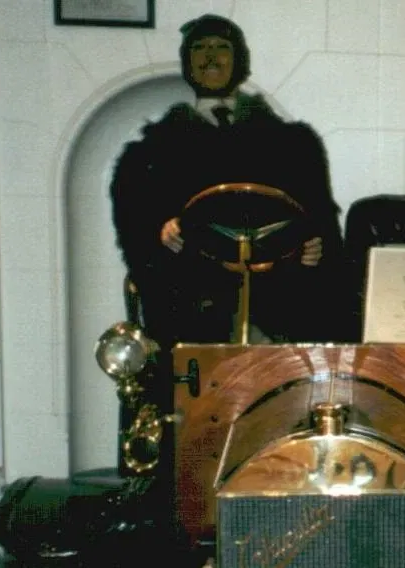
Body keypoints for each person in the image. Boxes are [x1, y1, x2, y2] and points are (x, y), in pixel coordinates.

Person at [110, 14, 359, 345]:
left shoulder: (292, 146)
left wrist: (315, 248)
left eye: (221, 47)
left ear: (238, 59)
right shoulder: (151, 153)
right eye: (200, 48)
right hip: (192, 300)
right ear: (188, 62)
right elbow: (136, 235)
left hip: (279, 300)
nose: (211, 57)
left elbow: (319, 223)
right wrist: (160, 230)